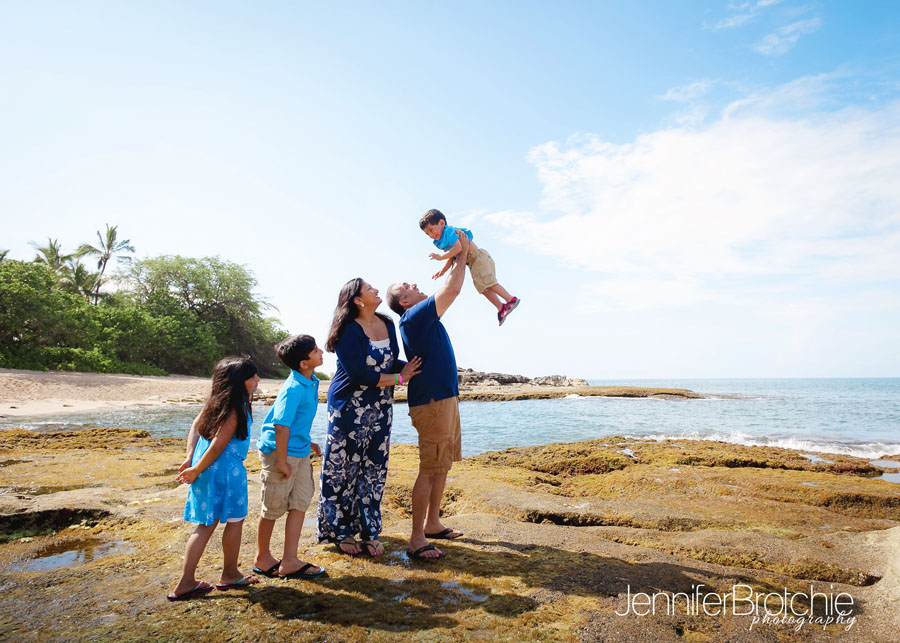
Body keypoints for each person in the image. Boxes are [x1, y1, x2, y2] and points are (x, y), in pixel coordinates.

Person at [316, 279, 422, 557]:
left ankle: (370, 531)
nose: (376, 290)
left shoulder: (387, 324)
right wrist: (400, 378)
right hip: (347, 407)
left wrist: (413, 367)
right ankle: (341, 531)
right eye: (369, 289)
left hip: (380, 407)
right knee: (343, 470)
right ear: (358, 300)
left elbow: (389, 363)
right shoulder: (347, 331)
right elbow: (360, 375)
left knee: (374, 469)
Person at [386, 230, 470, 561]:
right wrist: (460, 255)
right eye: (407, 288)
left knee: (442, 465)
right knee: (429, 467)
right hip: (433, 403)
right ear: (403, 302)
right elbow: (453, 289)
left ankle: (433, 523)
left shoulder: (419, 317)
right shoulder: (413, 316)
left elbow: (448, 288)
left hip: (443, 399)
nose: (414, 285)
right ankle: (416, 538)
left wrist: (455, 256)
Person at [168, 357, 260, 601]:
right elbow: (219, 445)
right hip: (225, 471)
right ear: (240, 382)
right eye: (253, 377)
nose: (257, 380)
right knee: (235, 520)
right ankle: (229, 573)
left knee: (205, 524)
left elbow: (196, 427)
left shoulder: (216, 401)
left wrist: (191, 459)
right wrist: (195, 467)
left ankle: (186, 581)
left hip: (206, 469)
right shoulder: (234, 407)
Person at [252, 335, 327, 580]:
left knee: (300, 502)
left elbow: (295, 423)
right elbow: (281, 426)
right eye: (315, 351)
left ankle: (290, 560)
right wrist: (282, 461)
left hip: (299, 450)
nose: (321, 351)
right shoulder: (294, 386)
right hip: (278, 452)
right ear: (304, 362)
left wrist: (308, 442)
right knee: (273, 506)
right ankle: (262, 558)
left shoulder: (310, 380)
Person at [420, 208, 520, 326]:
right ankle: (501, 307)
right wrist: (443, 270)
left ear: (442, 223)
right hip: (472, 263)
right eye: (427, 234)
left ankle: (510, 299)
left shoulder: (449, 232)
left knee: (488, 281)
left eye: (431, 230)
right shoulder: (440, 240)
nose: (431, 235)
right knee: (482, 287)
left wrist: (441, 257)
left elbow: (457, 248)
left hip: (478, 257)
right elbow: (452, 256)